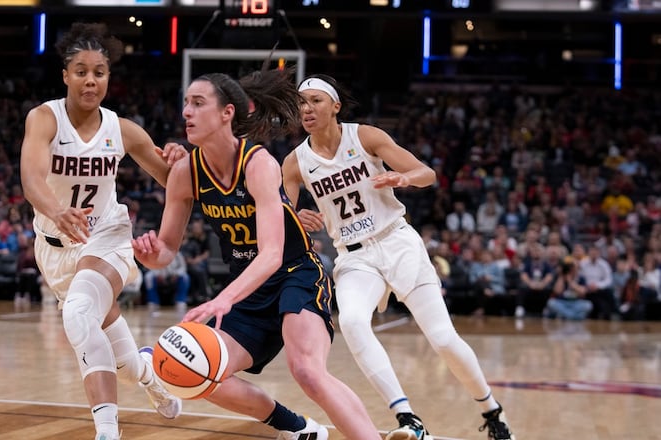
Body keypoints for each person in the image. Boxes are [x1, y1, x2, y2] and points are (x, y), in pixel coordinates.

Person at [132, 67, 381, 440]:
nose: (186, 111)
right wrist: (150, 254)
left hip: (294, 272)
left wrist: (221, 300)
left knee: (307, 371)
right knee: (198, 372)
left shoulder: (258, 163)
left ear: (226, 113)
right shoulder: (185, 172)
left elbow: (271, 254)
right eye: (185, 103)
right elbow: (167, 249)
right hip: (247, 288)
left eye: (198, 103)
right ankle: (296, 428)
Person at [281, 74, 515, 440]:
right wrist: (295, 217)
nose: (307, 109)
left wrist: (402, 180)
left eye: (315, 101)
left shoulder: (366, 137)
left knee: (442, 338)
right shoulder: (295, 163)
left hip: (397, 241)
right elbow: (279, 219)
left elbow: (427, 174)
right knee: (355, 322)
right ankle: (407, 417)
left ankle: (491, 411)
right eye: (301, 103)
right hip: (354, 256)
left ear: (335, 106)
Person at [19, 22, 184, 440]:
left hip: (105, 237)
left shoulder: (123, 129)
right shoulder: (44, 119)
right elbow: (31, 179)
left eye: (99, 72)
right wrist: (57, 211)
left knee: (77, 314)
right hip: (55, 249)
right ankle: (149, 378)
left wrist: (183, 159)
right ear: (65, 75)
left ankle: (107, 432)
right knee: (125, 366)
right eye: (80, 70)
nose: (90, 80)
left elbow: (176, 182)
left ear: (108, 77)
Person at [143, 250, 190, 315]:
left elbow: (183, 267)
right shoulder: (154, 252)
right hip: (159, 275)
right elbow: (150, 266)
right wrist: (158, 274)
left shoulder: (177, 253)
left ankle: (180, 300)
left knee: (185, 277)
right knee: (148, 277)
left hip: (174, 276)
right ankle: (153, 301)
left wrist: (176, 274)